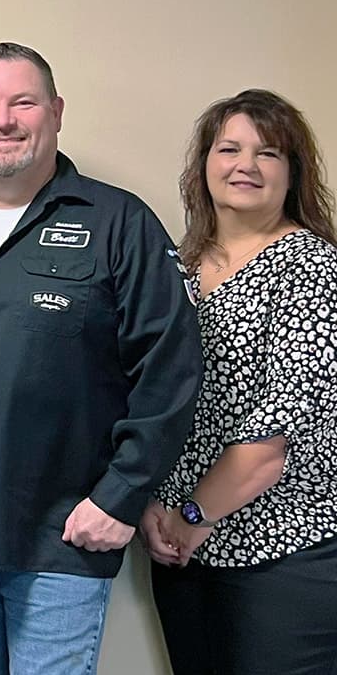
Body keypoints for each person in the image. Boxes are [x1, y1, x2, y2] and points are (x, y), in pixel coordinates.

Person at [0, 42, 202, 674]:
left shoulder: (119, 222)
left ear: (57, 112)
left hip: (62, 536)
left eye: (23, 102)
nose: (3, 120)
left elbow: (171, 367)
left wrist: (121, 496)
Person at [142, 89, 337, 675]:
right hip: (180, 551)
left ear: (292, 173)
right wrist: (152, 501)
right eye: (229, 148)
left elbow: (269, 442)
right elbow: (149, 398)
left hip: (283, 555)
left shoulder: (313, 270)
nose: (245, 165)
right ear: (204, 166)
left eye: (268, 152)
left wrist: (190, 517)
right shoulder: (177, 267)